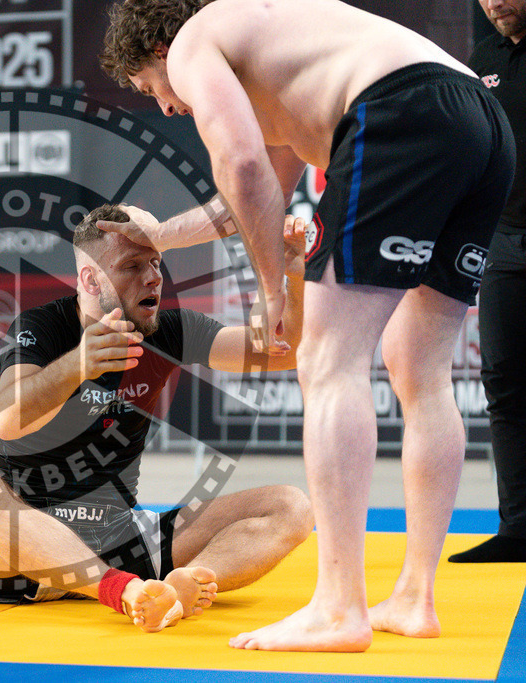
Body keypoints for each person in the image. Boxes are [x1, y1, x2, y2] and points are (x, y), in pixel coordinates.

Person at [98, 0, 515, 651]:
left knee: (327, 356)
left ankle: (338, 607)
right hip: (480, 123)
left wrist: (272, 294)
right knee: (418, 363)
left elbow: (240, 166)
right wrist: (158, 235)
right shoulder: (278, 60)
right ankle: (413, 596)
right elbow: (245, 194)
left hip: (402, 111)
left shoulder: (192, 41)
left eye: (152, 90)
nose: (165, 106)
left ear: (156, 52)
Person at [0, 204, 313, 633]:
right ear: (90, 279)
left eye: (156, 262)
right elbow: (8, 421)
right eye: (133, 265)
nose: (153, 277)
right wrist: (78, 365)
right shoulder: (44, 326)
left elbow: (282, 351)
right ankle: (118, 589)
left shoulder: (170, 331)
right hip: (26, 555)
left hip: (121, 538)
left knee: (292, 505)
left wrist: (295, 277)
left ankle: (184, 585)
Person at [449, 0, 526, 564]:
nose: (495, 2)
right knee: (504, 385)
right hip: (505, 241)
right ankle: (519, 530)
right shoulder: (484, 57)